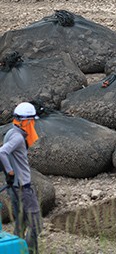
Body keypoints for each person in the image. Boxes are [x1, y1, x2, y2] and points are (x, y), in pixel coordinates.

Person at [0, 102, 42, 254]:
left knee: (21, 222)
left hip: (14, 187)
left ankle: (16, 250)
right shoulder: (17, 137)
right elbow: (2, 153)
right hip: (23, 188)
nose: (33, 123)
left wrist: (10, 174)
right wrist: (10, 172)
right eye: (32, 120)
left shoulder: (11, 132)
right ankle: (31, 252)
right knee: (35, 224)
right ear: (26, 121)